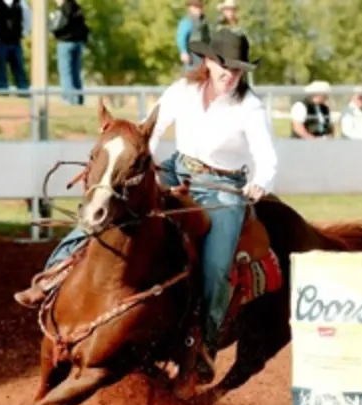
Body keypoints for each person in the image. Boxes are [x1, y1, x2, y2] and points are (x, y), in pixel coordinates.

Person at [14, 29, 278, 377]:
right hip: (176, 169)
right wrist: (137, 162)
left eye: (237, 69)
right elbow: (148, 131)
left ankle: (206, 343)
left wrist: (260, 182)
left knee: (217, 266)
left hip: (222, 186)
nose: (230, 74)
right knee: (105, 208)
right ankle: (53, 275)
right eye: (224, 66)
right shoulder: (183, 91)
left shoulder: (250, 106)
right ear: (209, 62)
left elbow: (267, 156)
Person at [51, 0, 89, 105]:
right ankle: (79, 100)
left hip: (65, 43)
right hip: (78, 43)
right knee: (76, 73)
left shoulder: (63, 8)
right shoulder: (76, 7)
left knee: (66, 74)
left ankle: (70, 100)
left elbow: (56, 26)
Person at [176, 0, 210, 71]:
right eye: (195, 7)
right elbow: (181, 37)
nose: (198, 9)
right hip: (192, 57)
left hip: (205, 57)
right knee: (193, 77)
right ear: (190, 8)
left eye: (199, 7)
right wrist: (183, 52)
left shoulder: (204, 22)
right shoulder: (187, 21)